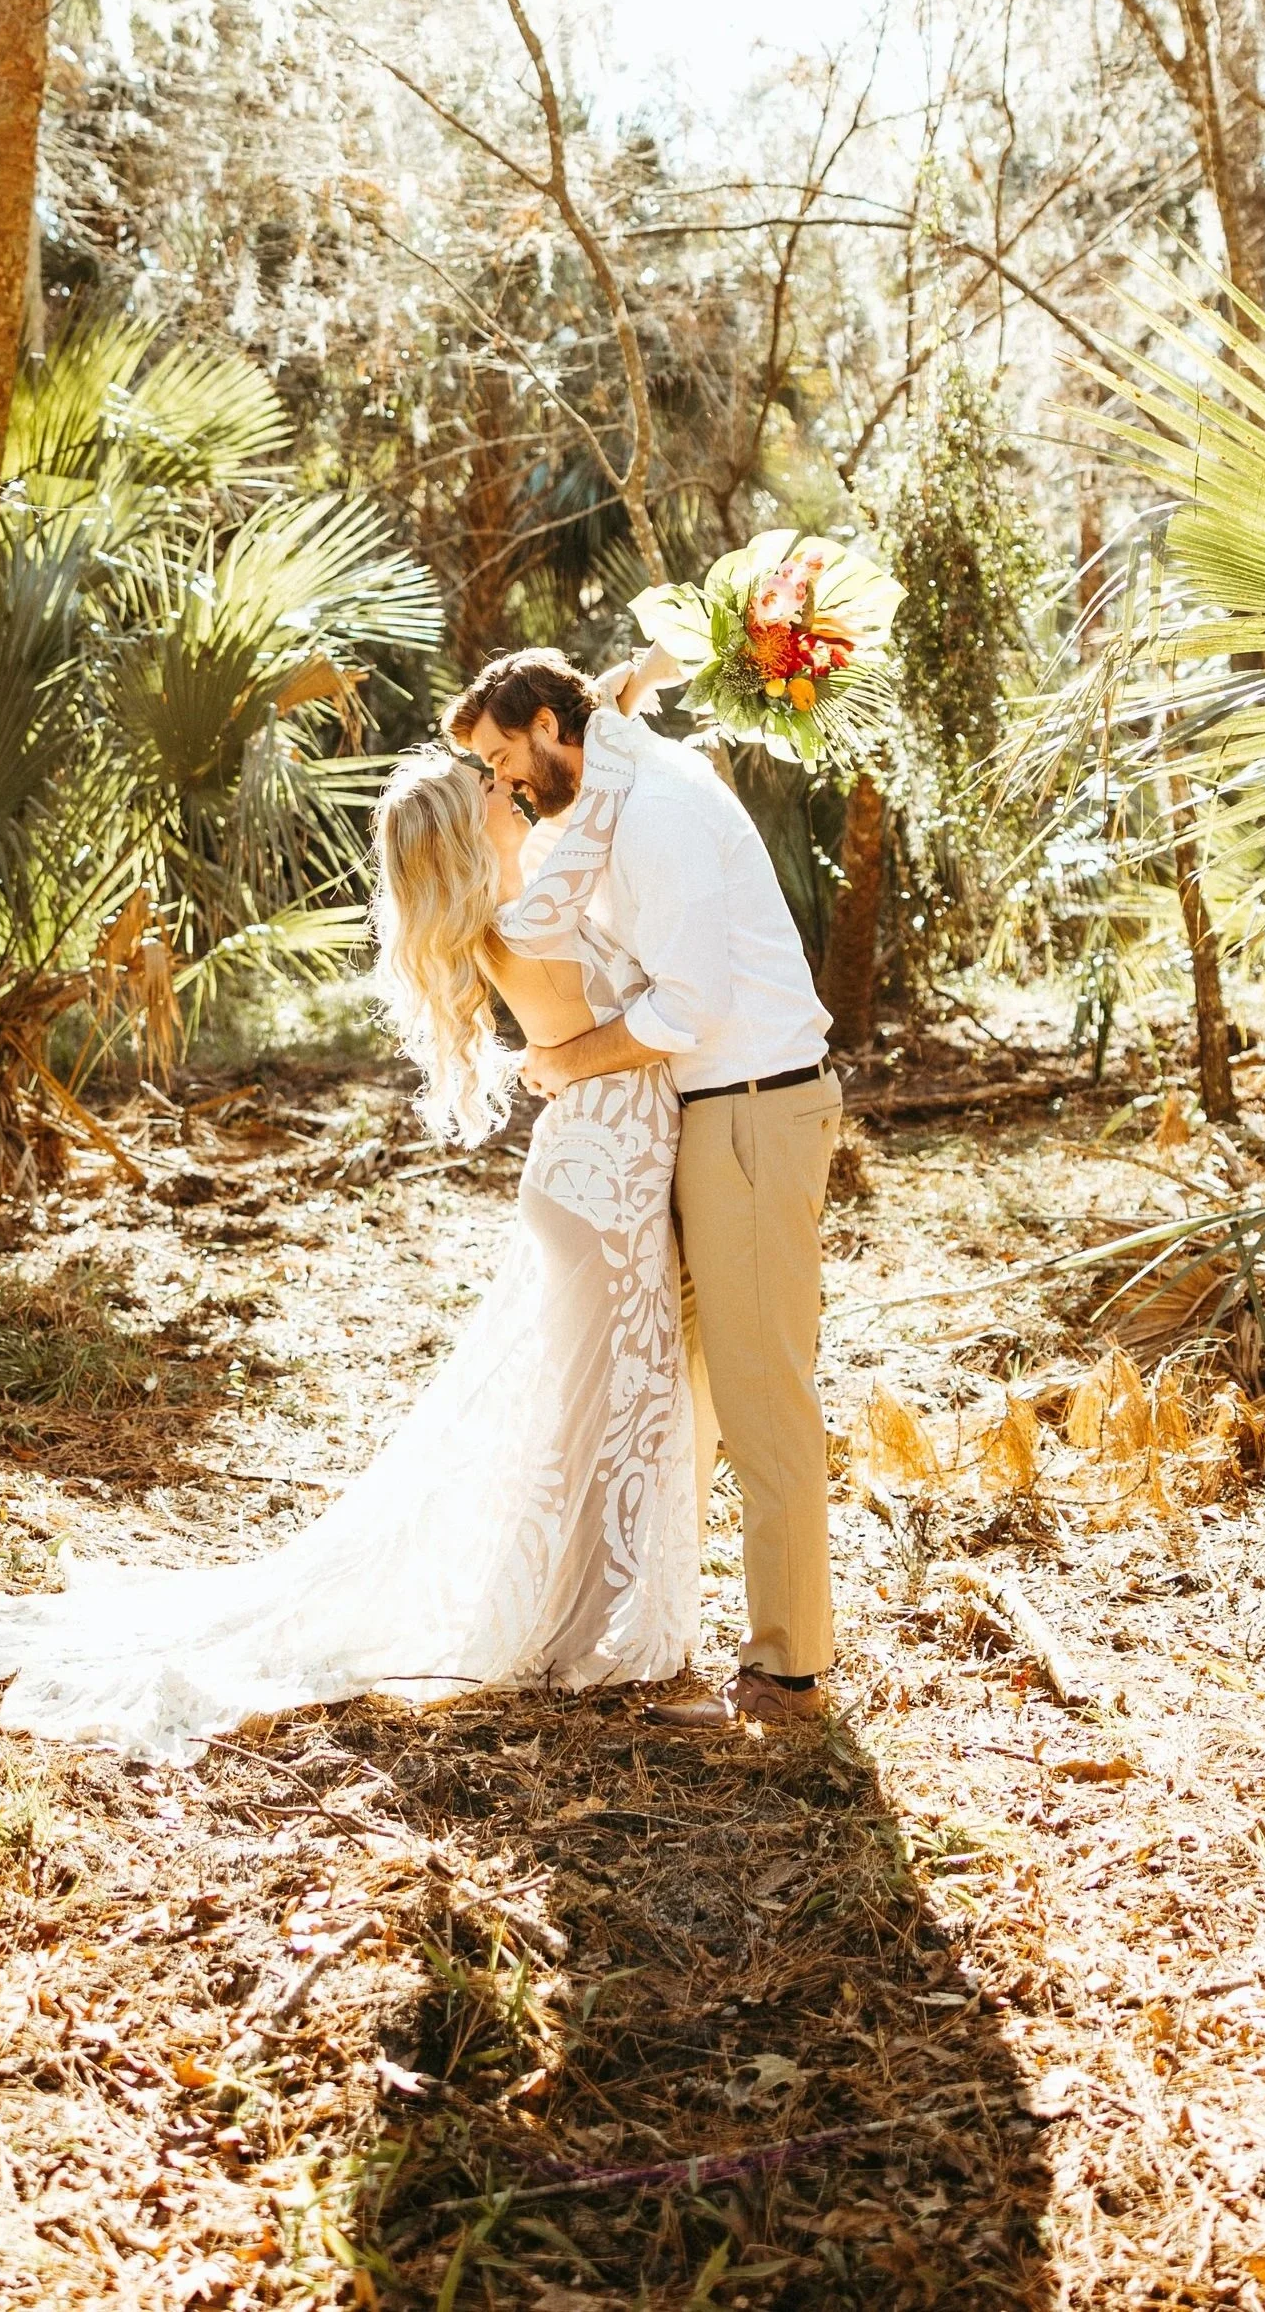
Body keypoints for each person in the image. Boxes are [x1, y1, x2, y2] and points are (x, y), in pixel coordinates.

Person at [0, 686, 702, 1763]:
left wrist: (605, 712)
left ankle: (585, 1607)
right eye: (485, 784)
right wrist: (614, 723)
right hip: (603, 1182)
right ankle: (586, 1620)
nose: (505, 786)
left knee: (595, 1408)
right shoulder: (525, 920)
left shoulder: (519, 907)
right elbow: (613, 855)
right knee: (602, 1407)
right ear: (467, 833)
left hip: (599, 1173)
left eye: (498, 774)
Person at [445, 646, 843, 1731]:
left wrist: (563, 1063)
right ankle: (678, 1627)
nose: (502, 784)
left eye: (501, 759)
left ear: (544, 726)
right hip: (708, 1116)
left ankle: (788, 1676)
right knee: (692, 1389)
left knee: (761, 1394)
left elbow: (686, 1006)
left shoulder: (656, 811)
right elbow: (608, 706)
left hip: (751, 1107)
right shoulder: (613, 771)